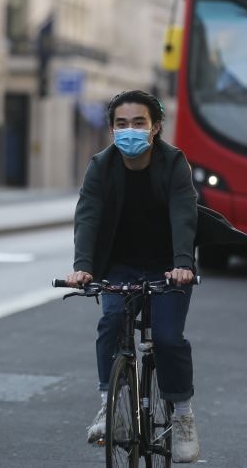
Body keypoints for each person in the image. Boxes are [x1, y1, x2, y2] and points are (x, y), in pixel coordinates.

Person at [63, 89, 201, 463]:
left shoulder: (174, 164)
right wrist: (83, 267)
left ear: (155, 127)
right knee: (110, 321)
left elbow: (184, 215)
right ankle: (109, 407)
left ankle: (184, 417)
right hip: (119, 264)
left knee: (169, 339)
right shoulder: (101, 166)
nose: (130, 131)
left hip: (169, 265)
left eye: (138, 123)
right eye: (121, 124)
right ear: (111, 129)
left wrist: (183, 264)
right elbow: (88, 215)